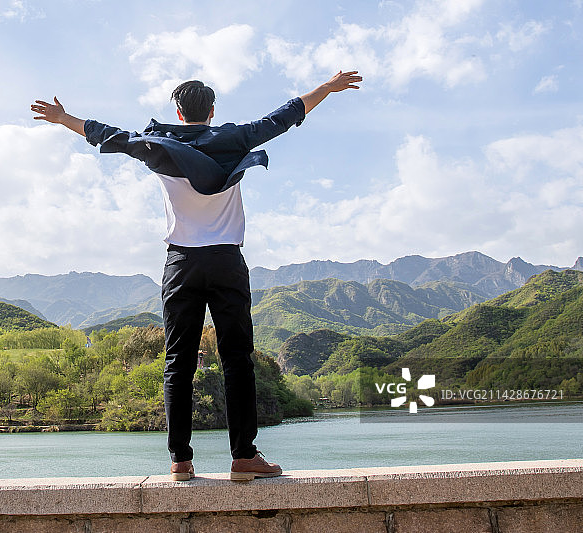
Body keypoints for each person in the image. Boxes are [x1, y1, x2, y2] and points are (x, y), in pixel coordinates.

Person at [31, 70, 362, 481]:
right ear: (211, 111)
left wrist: (64, 119)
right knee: (237, 360)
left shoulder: (156, 146)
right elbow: (284, 115)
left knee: (178, 363)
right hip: (225, 260)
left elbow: (106, 134)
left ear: (177, 111)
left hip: (181, 263)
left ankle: (181, 461)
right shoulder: (235, 139)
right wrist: (326, 89)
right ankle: (243, 456)